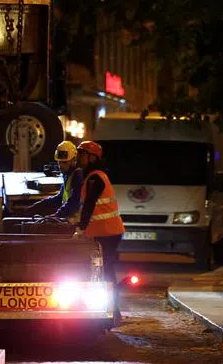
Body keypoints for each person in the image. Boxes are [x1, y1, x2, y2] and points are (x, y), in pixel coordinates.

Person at [74, 140, 126, 327]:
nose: (79, 158)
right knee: (104, 271)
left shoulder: (95, 178)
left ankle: (113, 313)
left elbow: (89, 205)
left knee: (106, 272)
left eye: (83, 155)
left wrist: (81, 227)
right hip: (106, 232)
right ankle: (112, 312)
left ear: (93, 157)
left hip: (107, 232)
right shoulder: (93, 176)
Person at [28, 140, 84, 221]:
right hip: (69, 220)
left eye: (64, 162)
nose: (60, 166)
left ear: (73, 160)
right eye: (59, 162)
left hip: (76, 222)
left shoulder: (78, 176)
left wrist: (56, 215)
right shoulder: (68, 175)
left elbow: (73, 203)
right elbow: (59, 198)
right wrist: (37, 206)